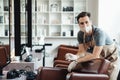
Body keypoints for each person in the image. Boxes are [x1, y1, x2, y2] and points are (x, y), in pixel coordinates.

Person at [65, 12, 120, 80]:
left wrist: (76, 61)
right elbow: (81, 51)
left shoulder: (99, 33)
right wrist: (75, 56)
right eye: (82, 23)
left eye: (86, 22)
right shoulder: (80, 34)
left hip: (112, 59)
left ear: (90, 22)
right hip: (101, 59)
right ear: (78, 25)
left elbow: (95, 55)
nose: (85, 25)